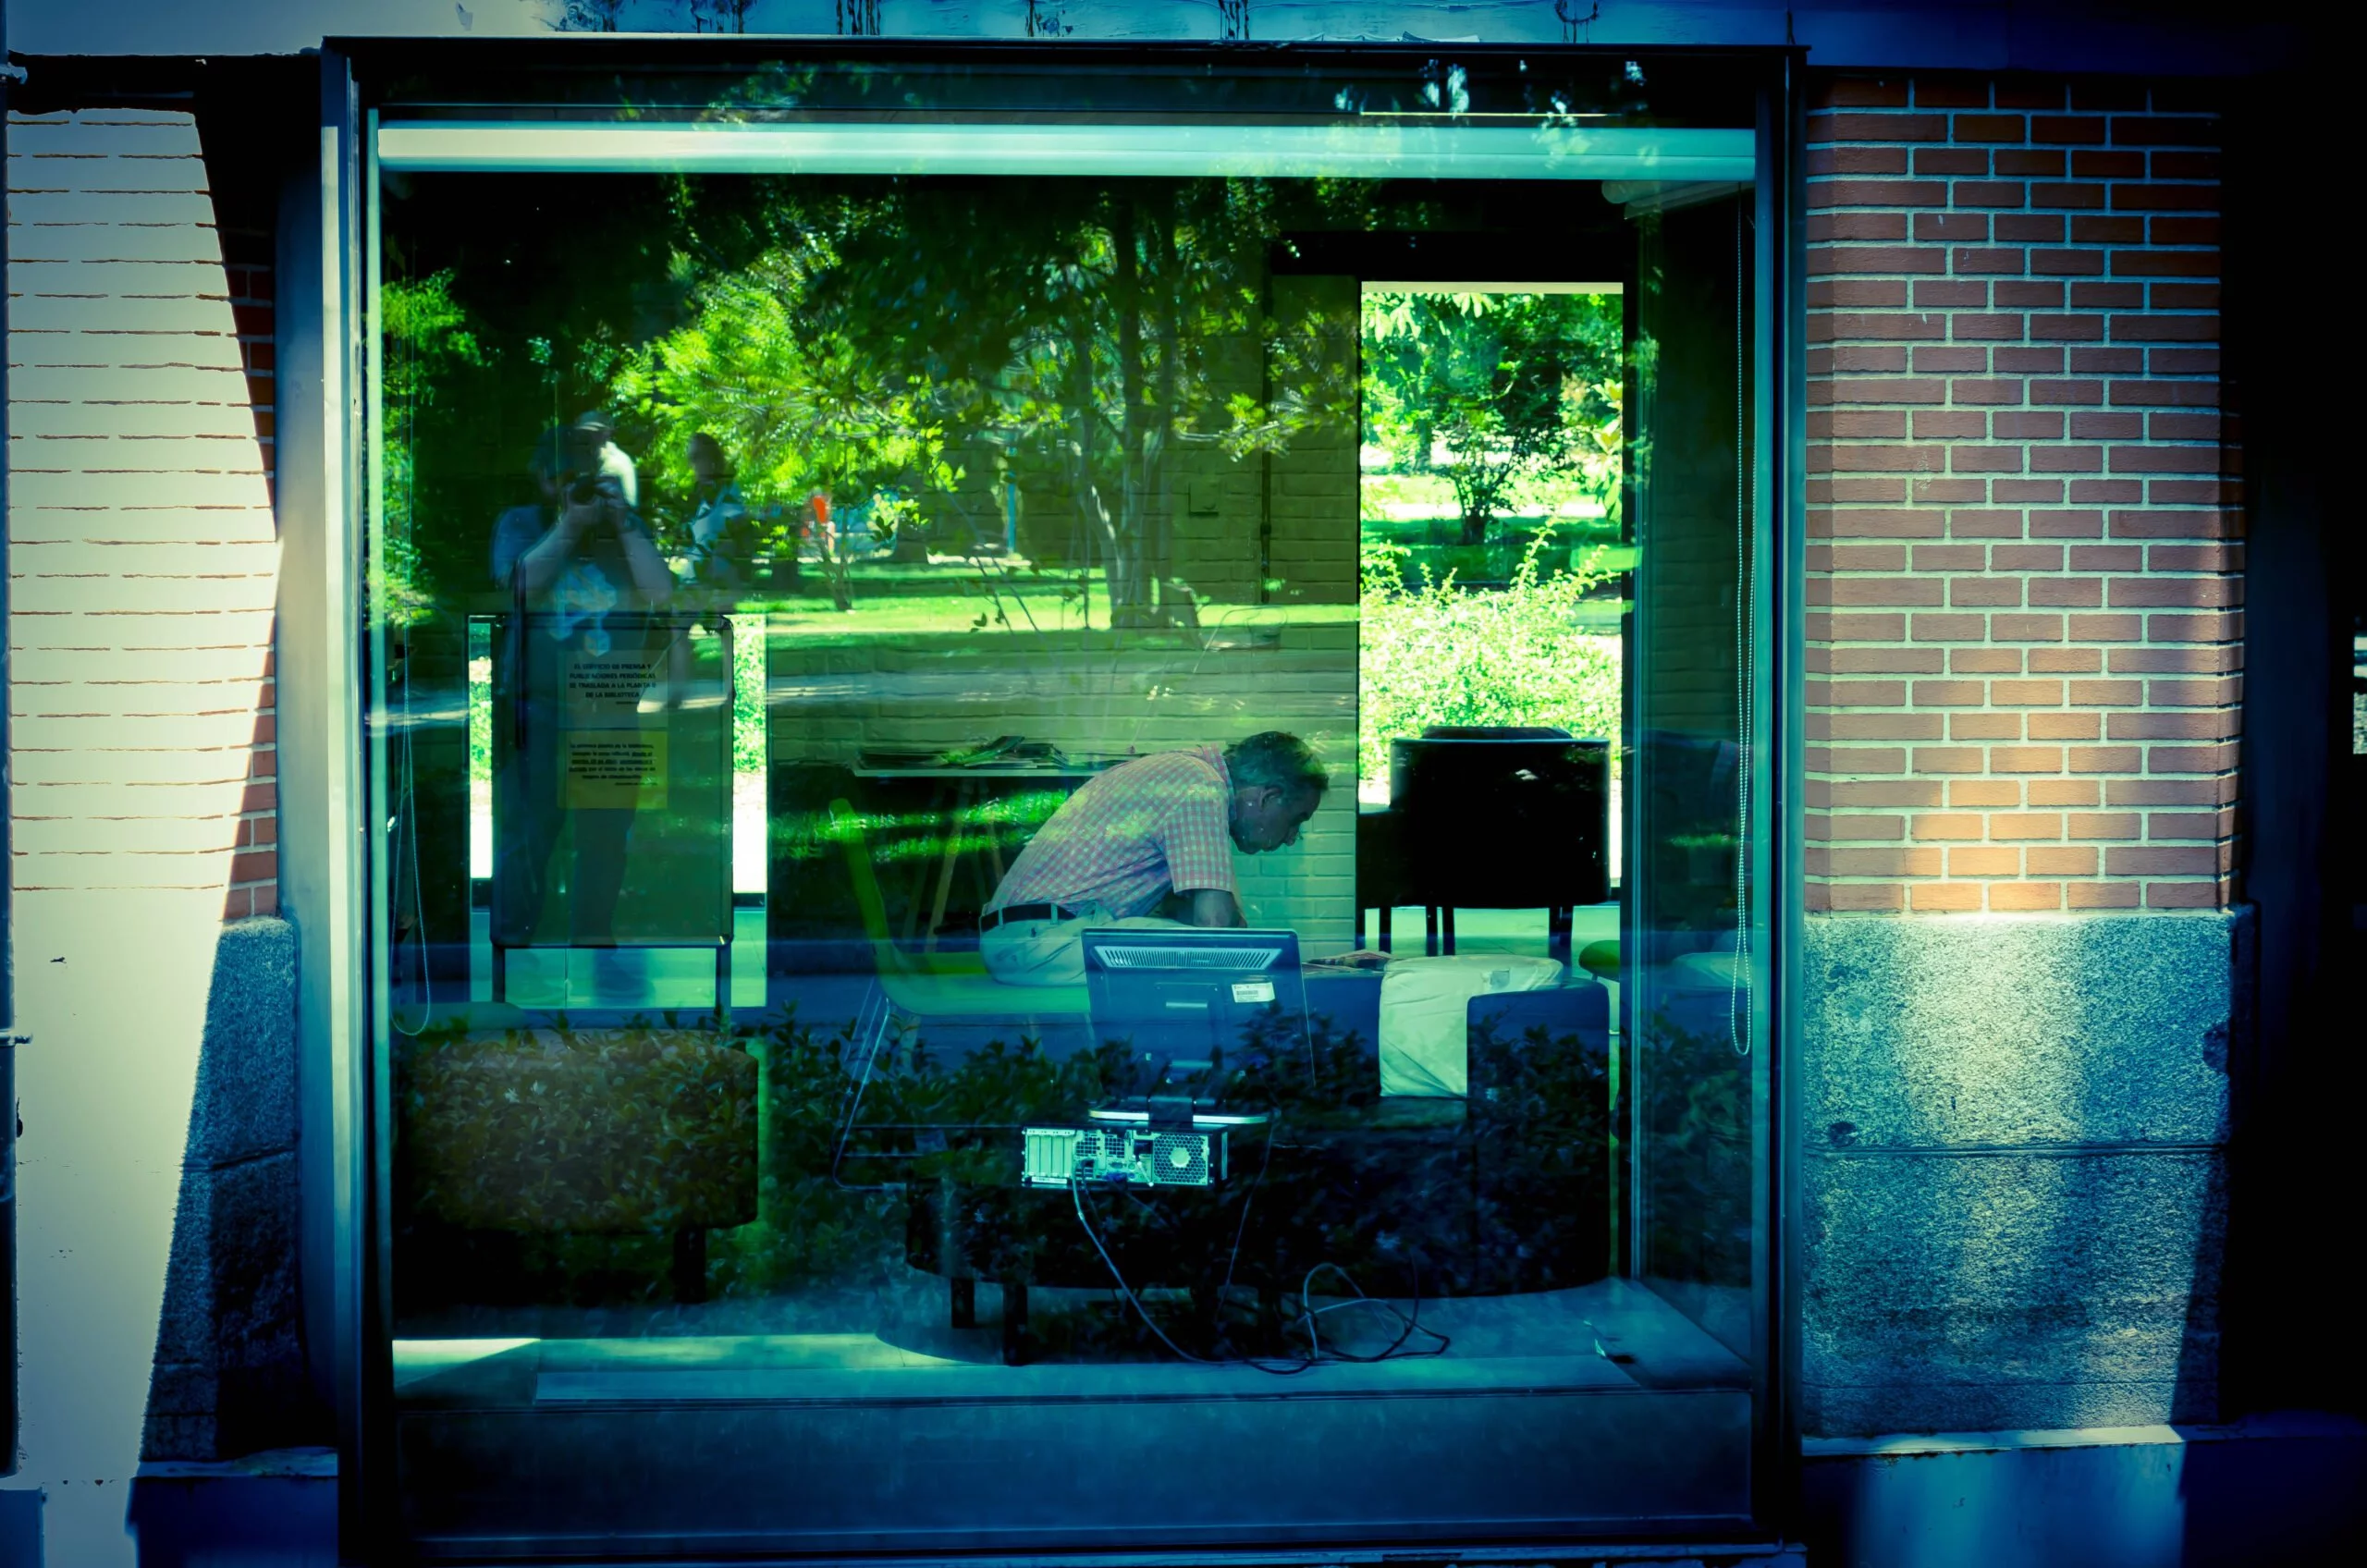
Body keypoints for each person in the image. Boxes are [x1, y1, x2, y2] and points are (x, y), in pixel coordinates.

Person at [488, 422, 675, 996]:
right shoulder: (522, 523)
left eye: (589, 477)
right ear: (544, 480)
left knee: (605, 839)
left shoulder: (624, 527)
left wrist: (622, 525)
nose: (581, 489)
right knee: (527, 836)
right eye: (568, 477)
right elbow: (518, 586)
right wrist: (570, 525)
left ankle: (596, 947)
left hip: (609, 710)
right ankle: (515, 958)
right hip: (535, 711)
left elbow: (663, 595)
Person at [977, 731, 1329, 986]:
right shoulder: (1200, 786)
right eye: (1297, 818)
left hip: (1037, 937)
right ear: (1267, 797)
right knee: (1214, 959)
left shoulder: (1189, 774)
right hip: (1041, 942)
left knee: (1214, 957)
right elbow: (1215, 930)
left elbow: (1199, 917)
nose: (1291, 837)